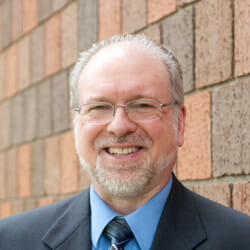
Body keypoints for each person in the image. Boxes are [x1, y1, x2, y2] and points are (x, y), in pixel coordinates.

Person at [0, 34, 249, 250]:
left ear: (179, 124)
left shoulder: (240, 240)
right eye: (99, 107)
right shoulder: (10, 241)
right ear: (76, 123)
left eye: (142, 105)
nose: (119, 126)